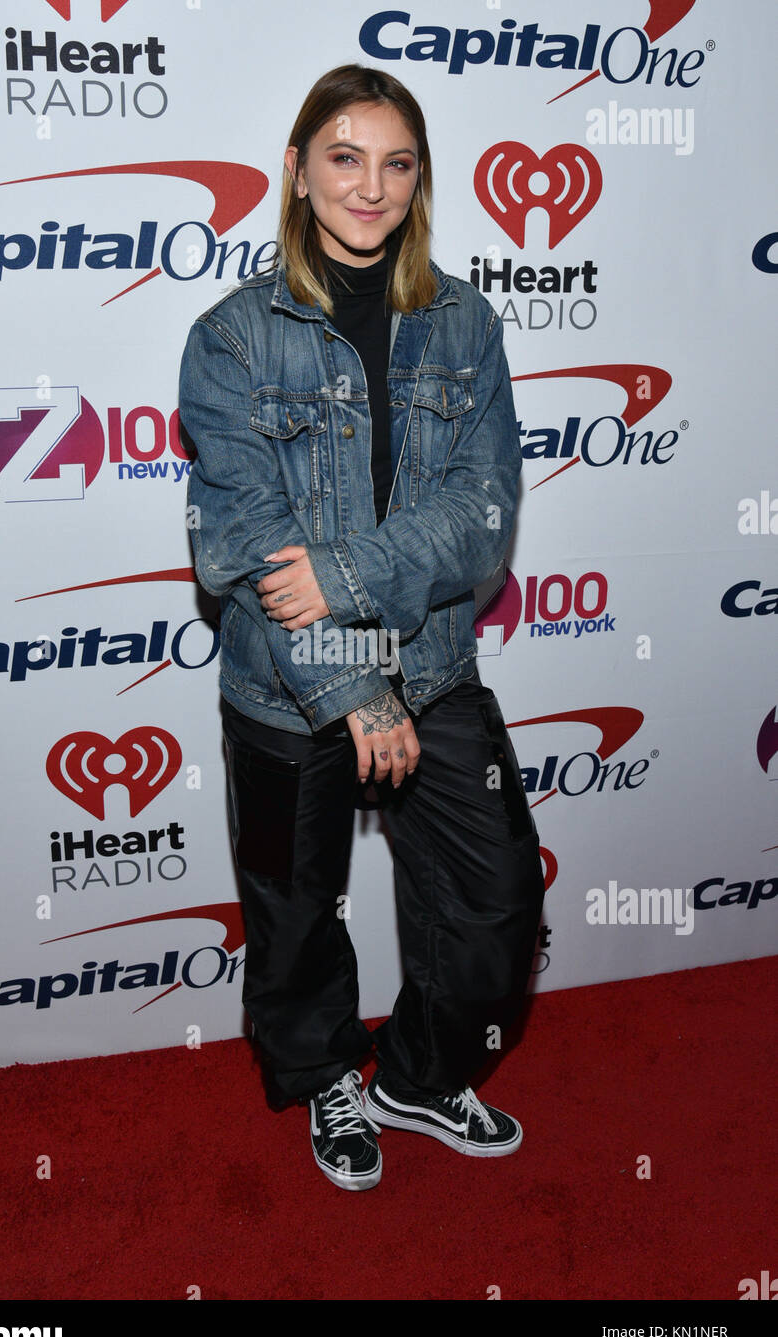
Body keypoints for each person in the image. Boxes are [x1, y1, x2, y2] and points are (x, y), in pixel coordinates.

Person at [178, 64, 545, 1191]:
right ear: (297, 171)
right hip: (287, 692)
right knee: (295, 921)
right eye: (344, 158)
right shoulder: (232, 339)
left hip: (434, 667)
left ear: (419, 180)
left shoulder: (465, 322)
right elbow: (242, 551)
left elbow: (481, 528)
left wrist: (341, 573)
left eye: (396, 163)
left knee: (499, 903)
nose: (370, 187)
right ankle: (326, 1070)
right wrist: (353, 688)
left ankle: (420, 1074)